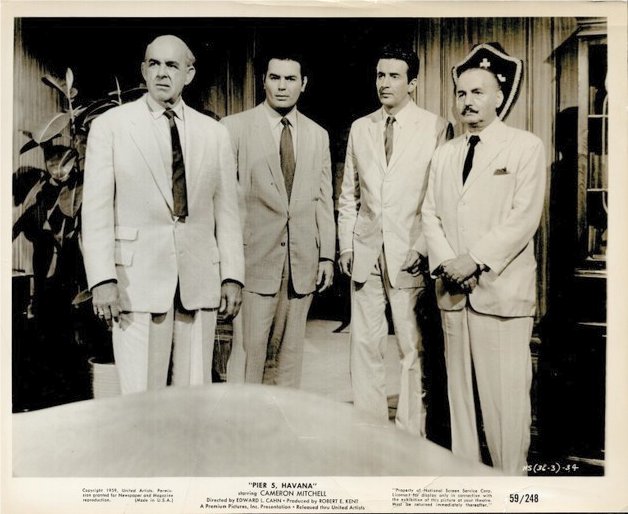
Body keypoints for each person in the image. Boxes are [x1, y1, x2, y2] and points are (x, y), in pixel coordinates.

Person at [82, 35, 244, 394]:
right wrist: (103, 279)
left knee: (194, 394)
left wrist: (232, 275)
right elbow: (95, 210)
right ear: (143, 70)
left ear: (189, 73)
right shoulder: (112, 126)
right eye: (154, 64)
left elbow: (228, 213)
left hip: (197, 279)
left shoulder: (214, 133)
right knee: (141, 394)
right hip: (135, 282)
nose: (161, 73)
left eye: (172, 65)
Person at [421, 42, 546, 475]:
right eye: (461, 93)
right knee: (460, 403)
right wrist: (448, 264)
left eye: (478, 92)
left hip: (500, 294)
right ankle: (467, 485)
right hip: (453, 294)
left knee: (505, 405)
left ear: (499, 97)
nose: (468, 101)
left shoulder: (524, 147)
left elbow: (523, 218)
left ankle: (510, 485)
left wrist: (473, 260)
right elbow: (430, 214)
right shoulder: (445, 153)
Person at [337, 45, 452, 435]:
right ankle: (369, 431)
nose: (384, 83)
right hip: (365, 251)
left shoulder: (435, 127)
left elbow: (437, 197)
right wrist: (347, 245)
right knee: (364, 346)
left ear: (412, 83)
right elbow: (349, 195)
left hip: (409, 254)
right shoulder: (361, 127)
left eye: (394, 76)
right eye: (380, 75)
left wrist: (422, 247)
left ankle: (408, 433)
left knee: (410, 347)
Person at [221, 51, 335, 387]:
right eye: (275, 78)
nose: (282, 86)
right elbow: (223, 202)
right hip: (253, 262)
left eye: (290, 79)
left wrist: (326, 255)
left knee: (290, 361)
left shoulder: (318, 134)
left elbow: (323, 199)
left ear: (304, 84)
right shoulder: (234, 128)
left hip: (301, 263)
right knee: (249, 356)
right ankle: (243, 419)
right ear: (263, 81)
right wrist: (228, 267)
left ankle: (283, 419)